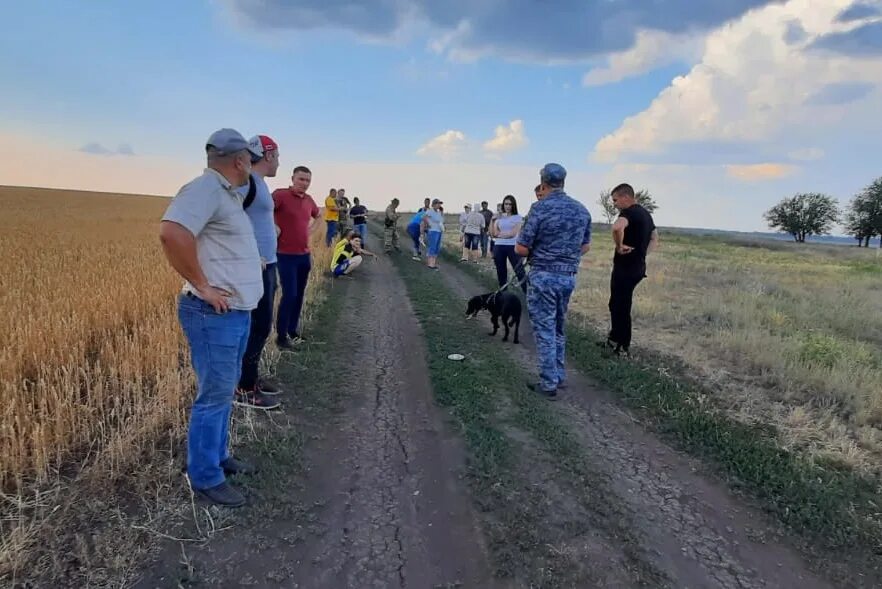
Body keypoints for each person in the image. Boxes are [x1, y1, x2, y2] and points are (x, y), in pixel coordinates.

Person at [159, 128, 264, 507]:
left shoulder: (226, 195)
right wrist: (202, 285)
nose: (252, 165)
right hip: (211, 313)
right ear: (240, 161)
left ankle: (218, 456)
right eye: (250, 160)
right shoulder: (204, 189)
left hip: (235, 312)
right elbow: (171, 232)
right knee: (214, 395)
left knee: (223, 390)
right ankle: (204, 477)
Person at [515, 163, 591, 399]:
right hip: (567, 277)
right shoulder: (581, 210)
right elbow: (585, 246)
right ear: (564, 181)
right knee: (558, 326)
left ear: (543, 182)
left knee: (545, 329)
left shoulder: (539, 208)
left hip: (543, 277)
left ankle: (548, 383)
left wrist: (544, 252)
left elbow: (521, 248)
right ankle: (558, 374)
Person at [234, 134, 284, 410]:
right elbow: (230, 216)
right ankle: (244, 388)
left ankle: (250, 378)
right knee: (258, 326)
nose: (279, 162)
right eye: (277, 156)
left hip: (268, 261)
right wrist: (252, 253)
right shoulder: (248, 182)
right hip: (257, 266)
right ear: (268, 155)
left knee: (261, 325)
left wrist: (271, 231)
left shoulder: (259, 184)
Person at [605, 183, 659, 357]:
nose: (614, 204)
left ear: (625, 197)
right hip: (637, 267)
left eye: (615, 200)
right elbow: (654, 238)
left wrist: (619, 245)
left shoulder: (628, 213)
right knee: (617, 303)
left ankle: (622, 345)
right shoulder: (645, 214)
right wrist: (642, 254)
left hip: (625, 267)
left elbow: (616, 227)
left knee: (620, 305)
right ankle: (614, 338)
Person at [274, 166, 321, 350]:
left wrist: (311, 231)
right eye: (301, 179)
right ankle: (281, 335)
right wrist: (273, 228)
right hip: (285, 255)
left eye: (307, 180)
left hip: (304, 255)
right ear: (293, 178)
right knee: (290, 294)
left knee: (299, 294)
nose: (304, 184)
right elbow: (263, 210)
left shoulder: (309, 200)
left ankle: (292, 330)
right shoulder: (280, 195)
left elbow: (319, 216)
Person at [490, 195, 527, 291]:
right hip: (498, 246)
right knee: (501, 272)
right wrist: (492, 220)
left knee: (519, 271)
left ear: (513, 205)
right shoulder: (499, 218)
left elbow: (512, 234)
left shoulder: (517, 217)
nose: (508, 206)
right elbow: (493, 233)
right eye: (506, 204)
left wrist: (499, 234)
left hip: (512, 246)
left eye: (510, 204)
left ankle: (528, 294)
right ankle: (504, 295)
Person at [422, 198, 445, 270]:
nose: (439, 205)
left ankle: (433, 263)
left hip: (438, 231)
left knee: (436, 248)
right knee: (432, 246)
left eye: (440, 204)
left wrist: (442, 212)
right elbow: (424, 217)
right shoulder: (430, 211)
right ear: (434, 204)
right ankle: (430, 264)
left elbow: (441, 221)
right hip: (433, 231)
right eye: (438, 204)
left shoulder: (438, 212)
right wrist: (428, 224)